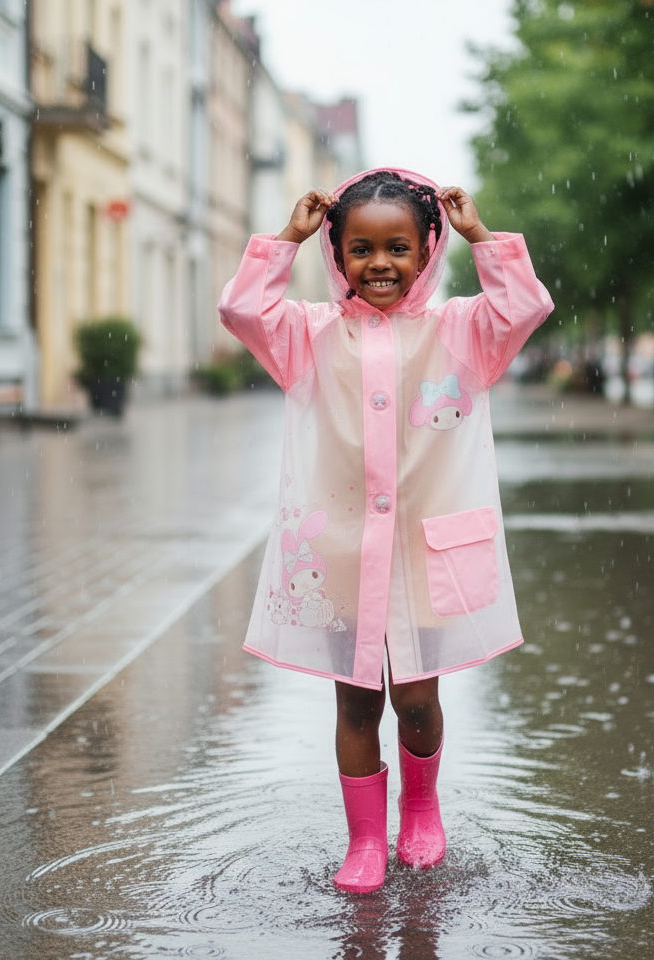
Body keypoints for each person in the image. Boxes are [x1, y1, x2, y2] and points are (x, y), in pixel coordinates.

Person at [218, 168, 553, 893]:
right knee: (357, 702)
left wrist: (481, 236)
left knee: (417, 700)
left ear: (426, 250)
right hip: (341, 557)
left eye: (398, 248)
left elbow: (525, 306)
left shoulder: (460, 331)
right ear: (337, 255)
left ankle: (421, 809)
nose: (380, 264)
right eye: (361, 248)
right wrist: (286, 240)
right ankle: (365, 840)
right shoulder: (309, 334)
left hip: (425, 555)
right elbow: (241, 310)